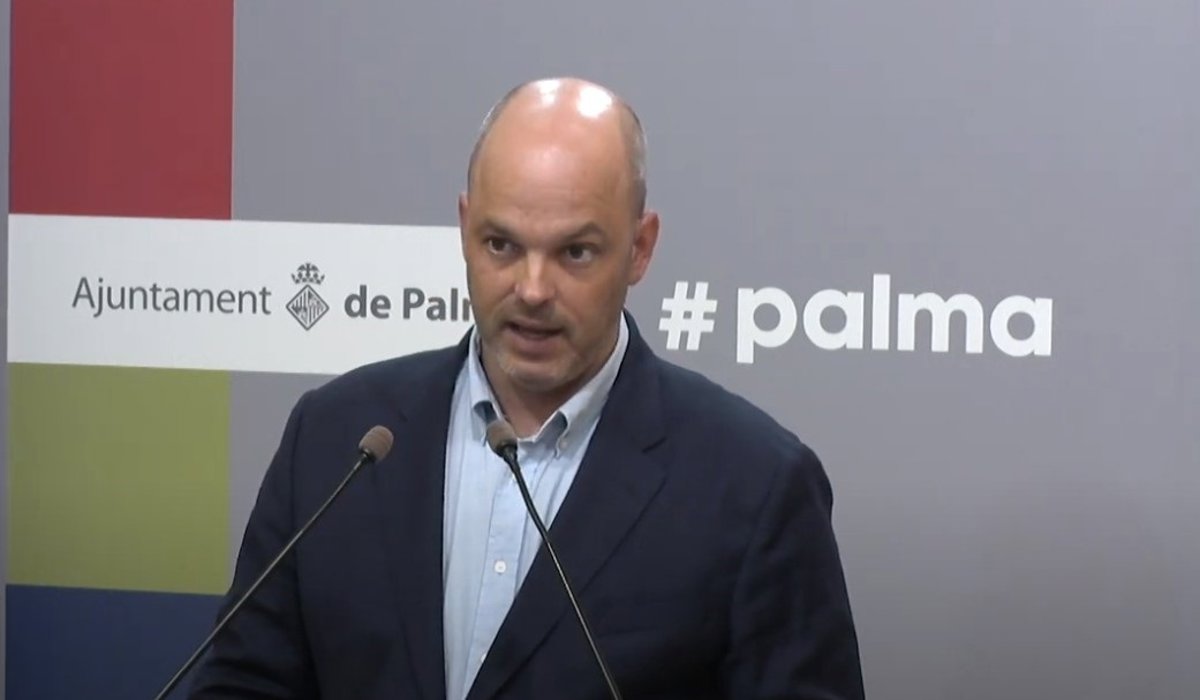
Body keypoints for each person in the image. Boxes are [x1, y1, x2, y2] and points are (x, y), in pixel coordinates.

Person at [188, 77, 865, 699]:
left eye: (575, 252)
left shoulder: (754, 486)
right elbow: (243, 685)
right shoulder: (336, 438)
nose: (533, 289)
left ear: (640, 248)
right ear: (464, 229)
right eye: (501, 245)